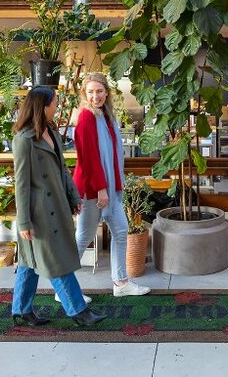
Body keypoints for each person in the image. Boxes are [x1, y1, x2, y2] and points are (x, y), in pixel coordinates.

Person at [11, 86, 107, 327]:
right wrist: (23, 221)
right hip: (39, 213)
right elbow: (21, 184)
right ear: (43, 107)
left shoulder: (51, 132)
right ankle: (78, 311)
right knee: (56, 260)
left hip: (57, 205)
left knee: (29, 260)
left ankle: (21, 309)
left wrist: (73, 197)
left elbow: (62, 169)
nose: (57, 106)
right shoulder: (24, 140)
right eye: (55, 103)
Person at [73, 73, 151, 297]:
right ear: (84, 94)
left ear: (106, 92)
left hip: (110, 188)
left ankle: (121, 283)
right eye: (90, 92)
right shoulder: (86, 118)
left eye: (99, 91)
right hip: (92, 190)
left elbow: (113, 154)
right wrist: (101, 189)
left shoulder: (106, 116)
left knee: (120, 231)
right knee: (84, 237)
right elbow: (88, 159)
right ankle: (64, 287)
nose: (95, 96)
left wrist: (116, 184)